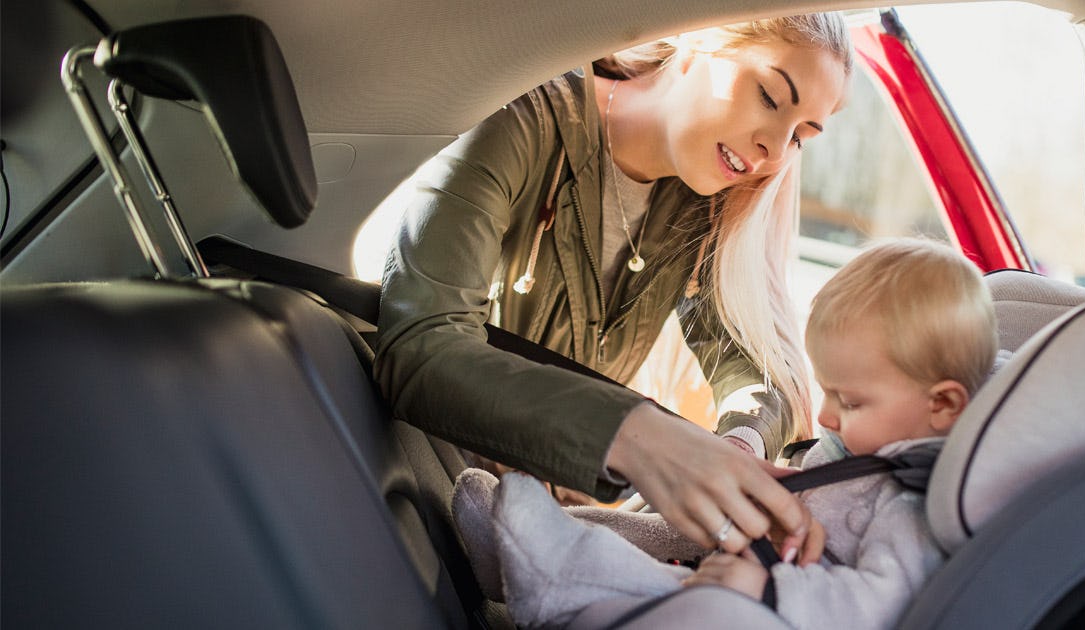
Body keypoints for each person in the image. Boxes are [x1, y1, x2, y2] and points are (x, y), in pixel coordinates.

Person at [373, 14, 853, 550]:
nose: (775, 150)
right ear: (697, 38)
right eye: (769, 96)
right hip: (431, 490)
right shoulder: (522, 121)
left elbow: (755, 364)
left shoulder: (706, 201)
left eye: (803, 136)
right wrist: (636, 438)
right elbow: (420, 348)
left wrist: (738, 447)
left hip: (542, 522)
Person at [451, 238, 1000, 629]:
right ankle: (524, 538)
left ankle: (541, 564)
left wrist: (766, 589)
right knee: (664, 529)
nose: (826, 416)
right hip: (758, 553)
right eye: (827, 391)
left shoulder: (915, 504)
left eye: (850, 401)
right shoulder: (871, 446)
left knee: (664, 588)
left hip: (775, 601)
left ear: (943, 405)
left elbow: (879, 607)